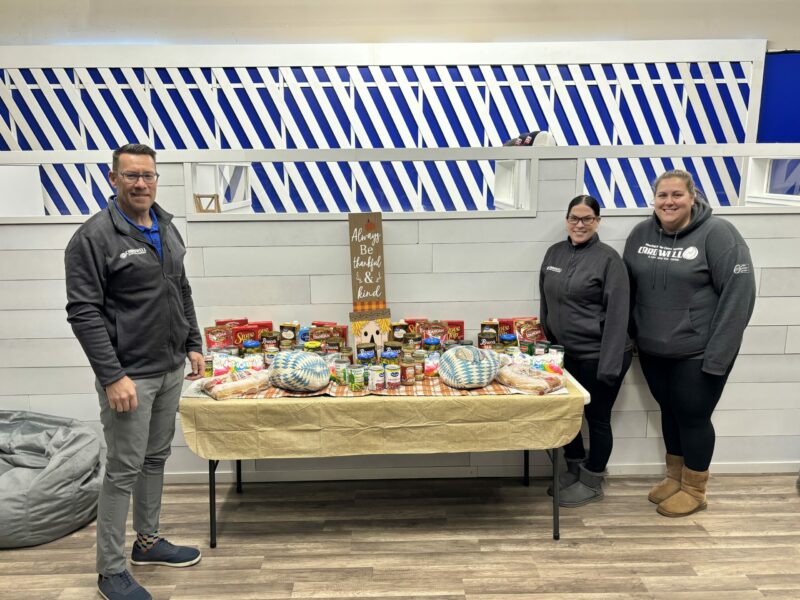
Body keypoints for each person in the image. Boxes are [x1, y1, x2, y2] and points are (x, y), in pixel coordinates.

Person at [65, 144, 205, 600]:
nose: (141, 183)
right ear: (113, 179)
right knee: (123, 469)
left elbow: (180, 287)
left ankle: (147, 543)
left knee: (154, 458)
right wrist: (112, 377)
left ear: (156, 179)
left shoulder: (165, 226)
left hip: (169, 368)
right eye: (130, 176)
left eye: (147, 175)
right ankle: (109, 571)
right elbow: (83, 313)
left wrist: (193, 344)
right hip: (130, 377)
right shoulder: (93, 238)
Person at [623, 169, 755, 518]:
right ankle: (675, 477)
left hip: (698, 352)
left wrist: (718, 356)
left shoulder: (720, 234)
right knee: (670, 412)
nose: (669, 202)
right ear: (654, 199)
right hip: (653, 351)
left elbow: (739, 297)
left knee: (693, 417)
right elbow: (628, 290)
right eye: (662, 195)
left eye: (676, 195)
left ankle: (695, 489)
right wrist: (632, 335)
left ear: (692, 196)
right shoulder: (640, 234)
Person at [539, 195, 633, 507]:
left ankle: (592, 481)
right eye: (575, 218)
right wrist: (548, 347)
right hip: (565, 355)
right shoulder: (554, 253)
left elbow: (619, 315)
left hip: (600, 355)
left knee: (597, 417)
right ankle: (574, 468)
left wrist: (609, 365)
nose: (580, 224)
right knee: (569, 414)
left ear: (597, 222)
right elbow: (546, 302)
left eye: (587, 219)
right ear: (566, 220)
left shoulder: (609, 260)